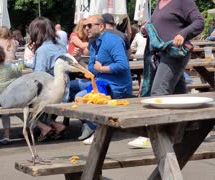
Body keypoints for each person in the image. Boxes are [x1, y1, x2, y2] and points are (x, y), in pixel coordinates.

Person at [128, 0, 204, 148]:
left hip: (175, 53)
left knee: (158, 92)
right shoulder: (159, 3)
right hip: (161, 53)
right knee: (178, 93)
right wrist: (146, 29)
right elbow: (164, 26)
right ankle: (190, 129)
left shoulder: (183, 1)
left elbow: (199, 22)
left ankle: (156, 136)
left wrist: (183, 33)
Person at [69, 15, 132, 143]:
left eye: (90, 26)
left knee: (80, 97)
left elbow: (123, 65)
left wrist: (103, 69)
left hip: (115, 87)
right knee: (69, 86)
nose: (86, 29)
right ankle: (90, 123)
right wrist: (79, 60)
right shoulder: (93, 44)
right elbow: (92, 71)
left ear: (101, 27)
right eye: (85, 26)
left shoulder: (112, 41)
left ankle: (96, 129)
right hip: (98, 83)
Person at [28, 16, 67, 141]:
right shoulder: (61, 45)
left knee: (19, 103)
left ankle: (47, 126)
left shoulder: (43, 50)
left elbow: (39, 77)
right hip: (64, 89)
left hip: (52, 93)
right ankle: (46, 125)